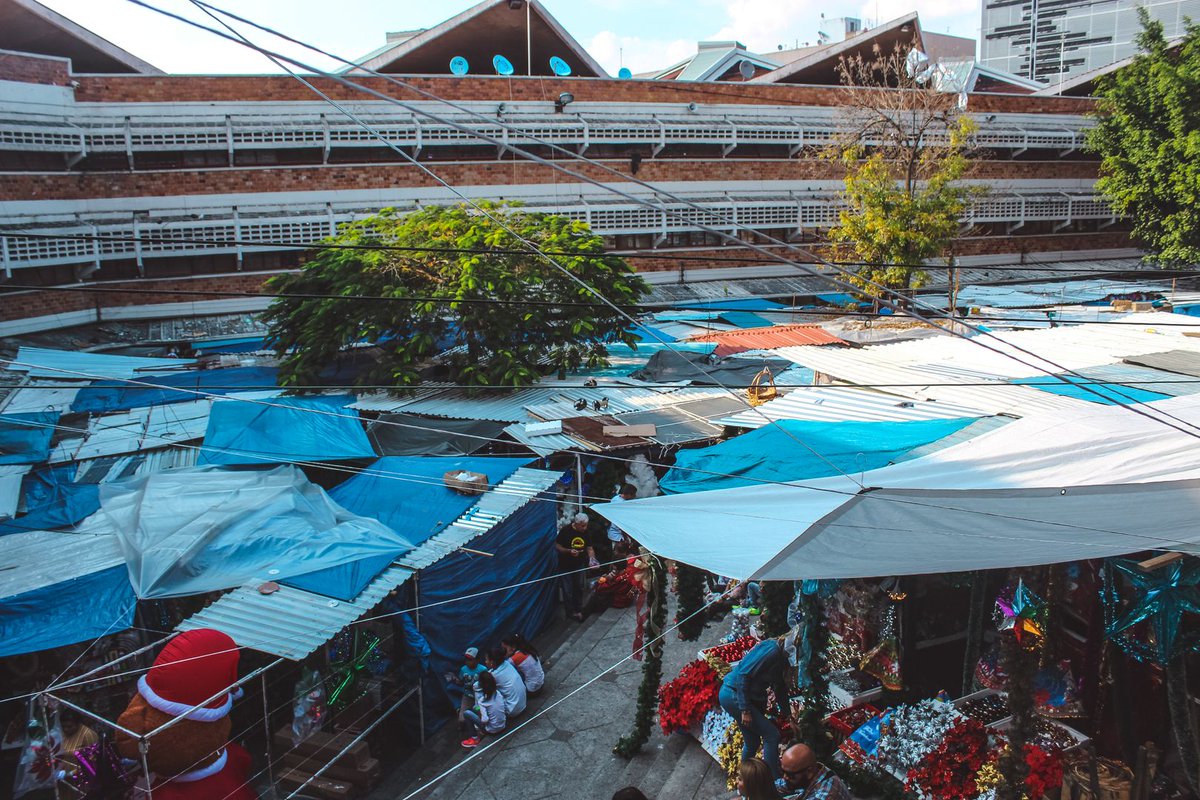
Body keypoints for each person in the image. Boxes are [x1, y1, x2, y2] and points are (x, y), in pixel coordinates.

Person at [718, 635, 792, 781]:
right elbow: (743, 675)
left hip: (740, 697)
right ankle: (775, 781)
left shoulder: (781, 657)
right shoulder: (773, 650)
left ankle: (745, 780)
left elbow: (779, 687)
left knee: (752, 742)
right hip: (734, 695)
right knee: (772, 735)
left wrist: (789, 715)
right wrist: (745, 709)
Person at [556, 512, 595, 622]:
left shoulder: (586, 532)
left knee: (579, 587)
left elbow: (589, 548)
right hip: (565, 565)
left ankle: (579, 609)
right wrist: (568, 551)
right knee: (567, 590)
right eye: (582, 526)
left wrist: (592, 559)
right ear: (576, 524)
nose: (585, 528)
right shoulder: (566, 531)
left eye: (586, 525)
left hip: (579, 564)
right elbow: (557, 546)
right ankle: (570, 612)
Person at [777, 744, 851, 800]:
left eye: (790, 774)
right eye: (782, 771)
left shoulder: (826, 794)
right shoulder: (813, 773)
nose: (784, 777)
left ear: (809, 771)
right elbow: (783, 784)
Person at [460, 670, 505, 748]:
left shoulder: (482, 701)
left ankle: (474, 738)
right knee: (475, 708)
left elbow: (485, 720)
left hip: (492, 730)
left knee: (467, 713)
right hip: (503, 725)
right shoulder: (498, 693)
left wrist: (480, 717)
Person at [445, 647, 488, 725]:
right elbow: (461, 683)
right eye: (466, 659)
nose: (467, 661)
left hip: (479, 696)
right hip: (467, 696)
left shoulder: (483, 670)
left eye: (470, 659)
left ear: (477, 660)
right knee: (462, 720)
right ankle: (461, 713)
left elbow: (487, 684)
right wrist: (454, 679)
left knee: (483, 716)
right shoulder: (463, 669)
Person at [483, 646, 527, 716]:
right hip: (523, 703)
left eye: (486, 659)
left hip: (513, 710)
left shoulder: (494, 676)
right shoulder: (507, 664)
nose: (485, 662)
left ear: (492, 662)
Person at [59, 709, 98, 775]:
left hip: (82, 776)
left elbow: (93, 761)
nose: (66, 729)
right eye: (63, 727)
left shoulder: (88, 735)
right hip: (62, 775)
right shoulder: (61, 734)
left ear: (78, 724)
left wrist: (73, 773)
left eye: (69, 727)